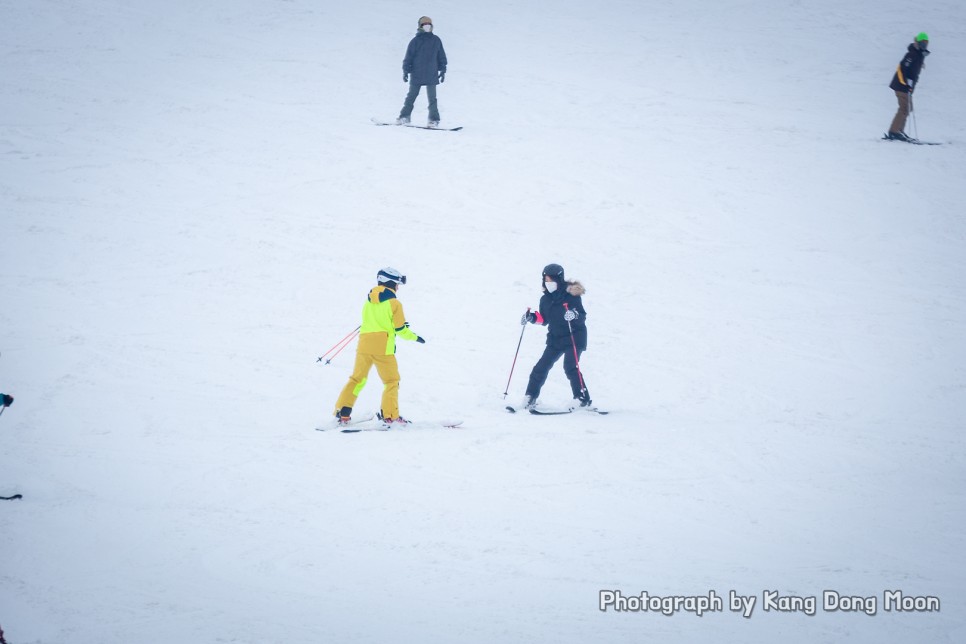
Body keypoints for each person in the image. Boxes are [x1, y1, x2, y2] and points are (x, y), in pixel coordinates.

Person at [333, 268, 424, 428]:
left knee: (357, 379)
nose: (398, 288)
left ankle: (343, 412)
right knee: (391, 381)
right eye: (397, 284)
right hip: (383, 348)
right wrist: (415, 337)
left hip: (364, 346)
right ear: (392, 283)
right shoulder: (395, 303)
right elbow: (400, 330)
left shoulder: (368, 301)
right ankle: (390, 416)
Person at [520, 263, 592, 410]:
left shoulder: (571, 295)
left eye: (551, 280)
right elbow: (544, 319)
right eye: (546, 280)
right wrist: (532, 318)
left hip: (574, 336)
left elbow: (582, 315)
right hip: (555, 338)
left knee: (570, 366)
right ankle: (530, 397)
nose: (548, 283)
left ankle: (582, 398)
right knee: (540, 367)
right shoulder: (545, 299)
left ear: (559, 280)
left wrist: (574, 314)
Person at [397, 16, 448, 128]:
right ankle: (404, 117)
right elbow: (408, 58)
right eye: (425, 24)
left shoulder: (436, 40)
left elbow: (441, 57)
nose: (427, 26)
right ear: (420, 26)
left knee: (432, 99)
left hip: (431, 74)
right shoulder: (415, 41)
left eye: (429, 24)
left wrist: (443, 69)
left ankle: (433, 120)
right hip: (417, 74)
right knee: (411, 97)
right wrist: (405, 71)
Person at [886, 32, 930, 141]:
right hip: (901, 86)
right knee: (904, 108)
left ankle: (899, 131)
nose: (924, 45)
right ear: (917, 42)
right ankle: (894, 131)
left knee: (907, 108)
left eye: (926, 43)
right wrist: (906, 83)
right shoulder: (912, 54)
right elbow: (902, 69)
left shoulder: (919, 54)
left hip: (907, 87)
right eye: (922, 43)